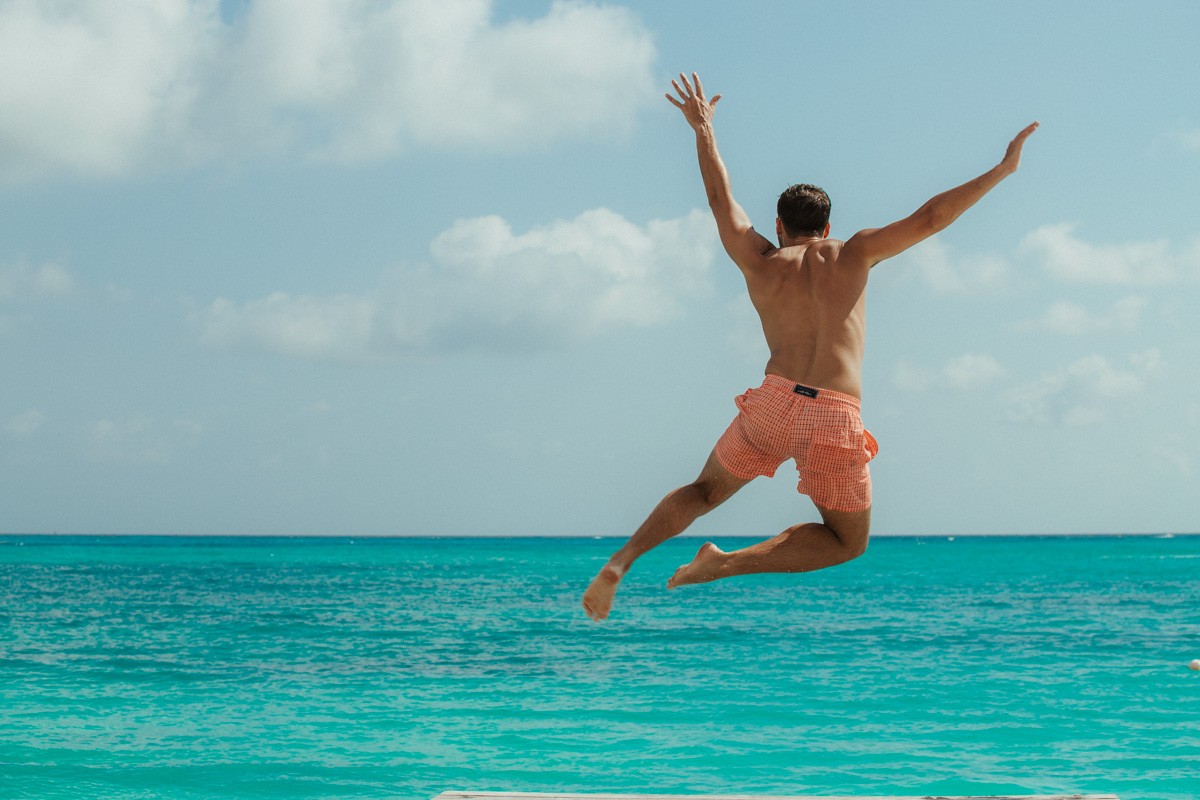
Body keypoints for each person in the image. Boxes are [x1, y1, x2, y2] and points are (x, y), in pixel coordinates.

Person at [582, 72, 1037, 621]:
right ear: (828, 226)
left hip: (773, 403)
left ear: (778, 224)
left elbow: (717, 197)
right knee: (847, 541)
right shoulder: (854, 252)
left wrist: (703, 130)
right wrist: (1002, 169)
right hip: (834, 414)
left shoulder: (760, 260)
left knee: (703, 492)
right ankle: (721, 565)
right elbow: (932, 217)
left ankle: (622, 561)